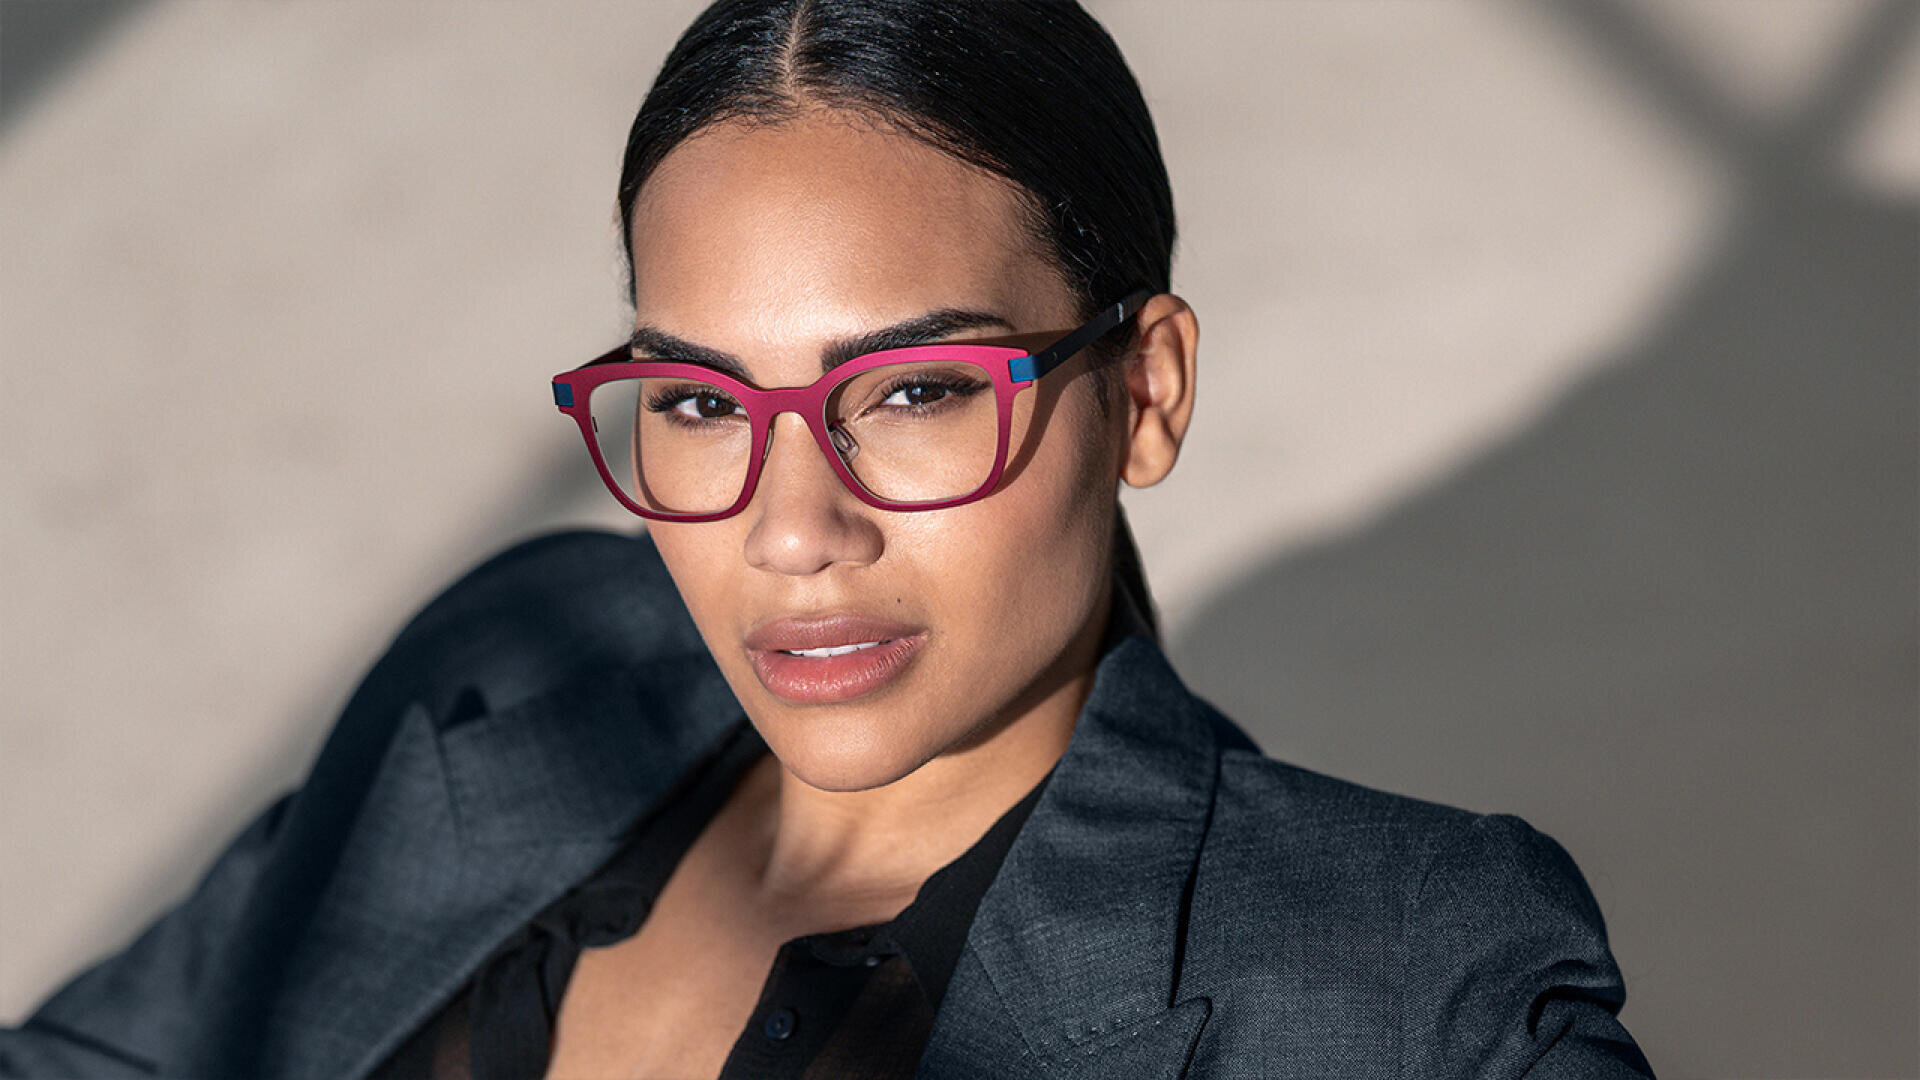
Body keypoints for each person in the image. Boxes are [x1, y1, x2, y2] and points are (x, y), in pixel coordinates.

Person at [1, 1, 1656, 1077]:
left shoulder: (1414, 988)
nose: (794, 532)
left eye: (915, 389)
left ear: (1143, 391)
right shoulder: (510, 664)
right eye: (705, 404)